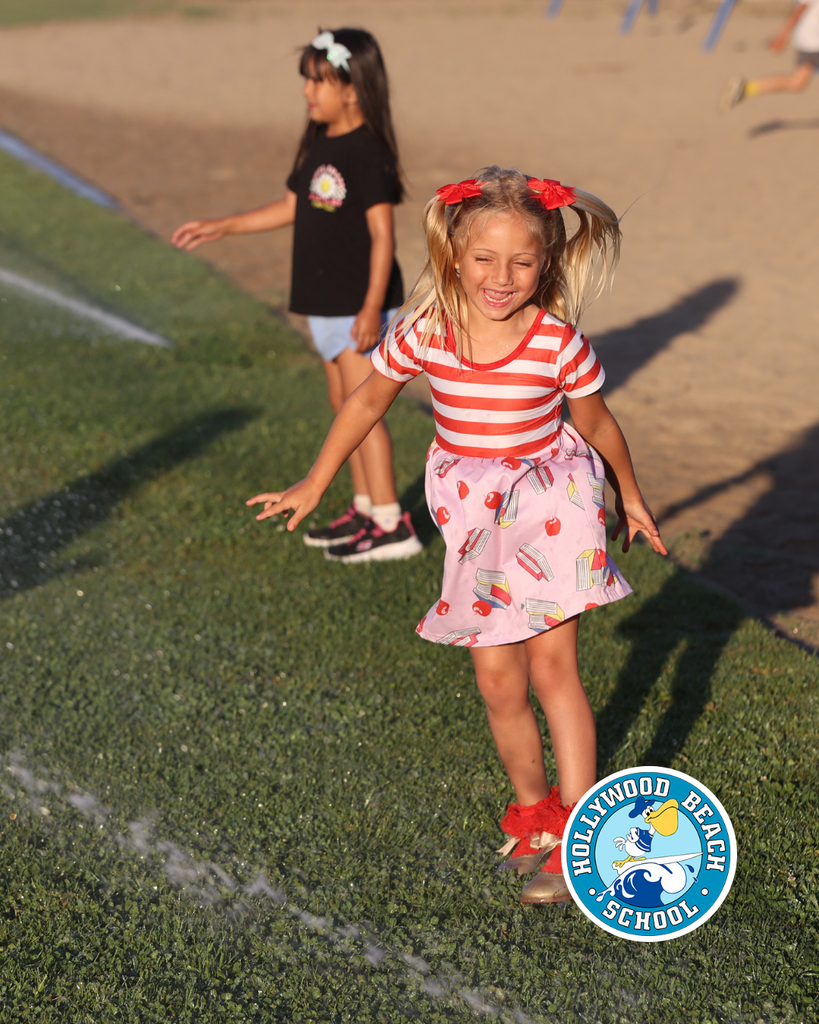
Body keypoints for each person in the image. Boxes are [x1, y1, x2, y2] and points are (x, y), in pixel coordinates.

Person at [247, 167, 667, 904]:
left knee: (551, 671)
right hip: (473, 515)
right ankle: (534, 815)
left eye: (522, 261)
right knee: (495, 679)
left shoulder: (555, 342)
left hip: (552, 499)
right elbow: (367, 398)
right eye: (484, 258)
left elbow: (596, 423)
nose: (500, 277)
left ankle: (576, 836)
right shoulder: (426, 333)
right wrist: (313, 482)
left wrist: (629, 496)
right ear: (453, 255)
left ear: (546, 262)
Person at [172, 28, 421, 563]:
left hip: (359, 306)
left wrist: (373, 306)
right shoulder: (319, 141)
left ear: (352, 89)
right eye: (306, 81)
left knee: (362, 410)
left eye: (317, 81)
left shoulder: (367, 151)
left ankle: (391, 523)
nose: (307, 92)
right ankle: (363, 505)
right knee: (341, 407)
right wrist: (225, 226)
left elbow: (384, 235)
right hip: (325, 302)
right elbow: (292, 206)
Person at [721, 1, 819, 110]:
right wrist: (782, 36)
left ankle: (746, 88)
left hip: (809, 41)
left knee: (797, 83)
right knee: (797, 82)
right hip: (813, 43)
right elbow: (797, 13)